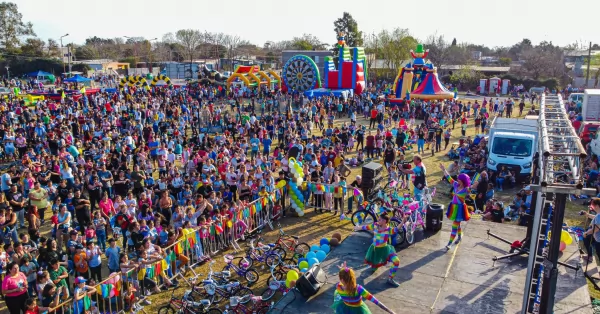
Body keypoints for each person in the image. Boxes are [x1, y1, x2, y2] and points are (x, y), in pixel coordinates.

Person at [353, 212, 401, 287]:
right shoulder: (375, 225)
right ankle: (375, 266)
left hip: (385, 250)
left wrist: (403, 221)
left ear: (385, 221)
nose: (378, 220)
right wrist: (358, 227)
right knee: (374, 268)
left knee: (396, 261)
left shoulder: (388, 229)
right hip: (375, 251)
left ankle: (390, 279)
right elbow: (366, 227)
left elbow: (396, 229)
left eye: (380, 219)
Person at [331, 261, 395, 314]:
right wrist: (389, 311)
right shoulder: (358, 289)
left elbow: (343, 280)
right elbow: (374, 300)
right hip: (359, 310)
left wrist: (343, 271)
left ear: (342, 279)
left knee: (336, 294)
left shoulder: (338, 287)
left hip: (344, 309)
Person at [439, 164, 471, 251]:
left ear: (463, 181)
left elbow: (472, 189)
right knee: (457, 224)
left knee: (454, 226)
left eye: (460, 179)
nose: (458, 180)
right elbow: (449, 177)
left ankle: (449, 243)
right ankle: (459, 237)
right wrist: (443, 169)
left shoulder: (466, 189)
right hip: (453, 208)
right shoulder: (456, 185)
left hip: (460, 209)